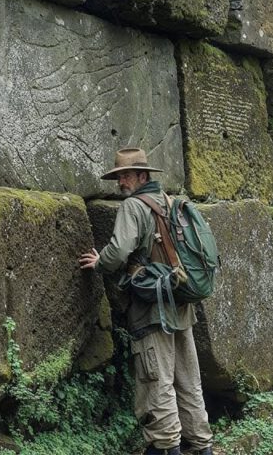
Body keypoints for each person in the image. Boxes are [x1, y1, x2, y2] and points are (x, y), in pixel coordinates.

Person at [78, 148, 214, 455]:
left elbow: (118, 252)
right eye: (118, 177)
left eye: (125, 176)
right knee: (189, 383)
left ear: (143, 176)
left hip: (153, 309)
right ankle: (202, 446)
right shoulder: (169, 203)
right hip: (181, 305)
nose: (121, 183)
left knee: (157, 382)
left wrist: (100, 262)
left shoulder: (133, 207)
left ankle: (166, 448)